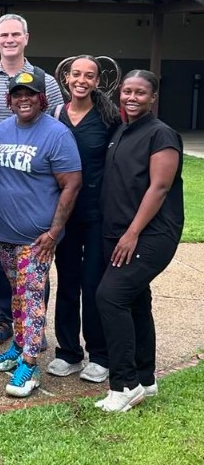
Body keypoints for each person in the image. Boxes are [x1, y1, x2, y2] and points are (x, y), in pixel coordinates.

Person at [0, 14, 64, 347]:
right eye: (3, 35)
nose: (9, 39)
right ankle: (4, 319)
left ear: (26, 37)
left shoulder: (45, 80)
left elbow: (58, 122)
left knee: (35, 265)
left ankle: (34, 325)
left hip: (33, 183)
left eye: (15, 34)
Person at [0, 71, 81, 397]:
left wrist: (54, 232)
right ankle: (20, 346)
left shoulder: (57, 134)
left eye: (31, 94)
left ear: (42, 98)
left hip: (36, 238)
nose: (24, 100)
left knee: (32, 298)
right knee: (16, 293)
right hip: (2, 233)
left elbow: (71, 184)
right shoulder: (2, 128)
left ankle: (30, 364)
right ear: (8, 100)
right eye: (18, 94)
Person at [94, 70, 183, 412]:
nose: (132, 98)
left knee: (110, 297)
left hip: (151, 235)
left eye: (140, 93)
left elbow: (159, 188)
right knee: (135, 300)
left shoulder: (161, 135)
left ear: (152, 98)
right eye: (127, 92)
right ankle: (146, 378)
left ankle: (125, 384)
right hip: (119, 232)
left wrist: (132, 233)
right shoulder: (121, 129)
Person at [46, 56, 121, 384]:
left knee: (93, 285)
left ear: (97, 80)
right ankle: (68, 352)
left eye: (88, 76)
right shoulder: (57, 114)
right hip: (64, 216)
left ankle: (100, 355)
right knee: (67, 284)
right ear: (66, 77)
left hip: (95, 216)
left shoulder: (109, 117)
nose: (81, 80)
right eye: (76, 74)